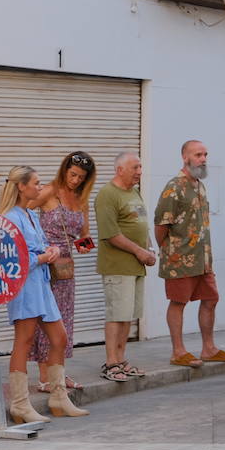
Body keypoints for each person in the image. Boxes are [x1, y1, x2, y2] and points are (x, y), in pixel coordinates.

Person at [0, 167, 88, 422]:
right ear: (21, 187)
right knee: (24, 340)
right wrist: (41, 257)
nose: (40, 187)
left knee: (59, 338)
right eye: (36, 183)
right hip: (25, 286)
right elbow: (10, 259)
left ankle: (59, 397)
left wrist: (51, 250)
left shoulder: (29, 214)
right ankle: (20, 404)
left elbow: (37, 245)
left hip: (41, 282)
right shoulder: (10, 217)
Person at [154, 140, 225, 367]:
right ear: (185, 157)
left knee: (210, 299)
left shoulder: (199, 185)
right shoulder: (174, 187)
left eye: (205, 154)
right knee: (178, 302)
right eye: (198, 154)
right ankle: (178, 351)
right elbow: (161, 225)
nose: (204, 159)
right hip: (179, 259)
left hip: (202, 259)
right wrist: (169, 251)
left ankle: (209, 348)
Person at [28, 152, 95, 393]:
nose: (76, 180)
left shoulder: (82, 199)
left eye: (81, 177)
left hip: (66, 267)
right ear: (64, 170)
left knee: (64, 320)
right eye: (73, 174)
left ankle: (59, 373)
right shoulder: (49, 191)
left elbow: (84, 237)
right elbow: (23, 212)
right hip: (45, 264)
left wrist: (84, 246)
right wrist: (37, 242)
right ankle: (46, 377)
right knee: (46, 319)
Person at [95, 152, 155, 382]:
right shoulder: (107, 195)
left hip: (136, 265)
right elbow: (110, 234)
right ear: (120, 169)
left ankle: (121, 360)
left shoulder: (134, 191)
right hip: (118, 266)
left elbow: (138, 222)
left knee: (128, 316)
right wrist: (139, 252)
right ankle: (111, 363)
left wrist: (148, 247)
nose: (140, 171)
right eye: (135, 168)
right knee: (116, 315)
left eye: (140, 167)